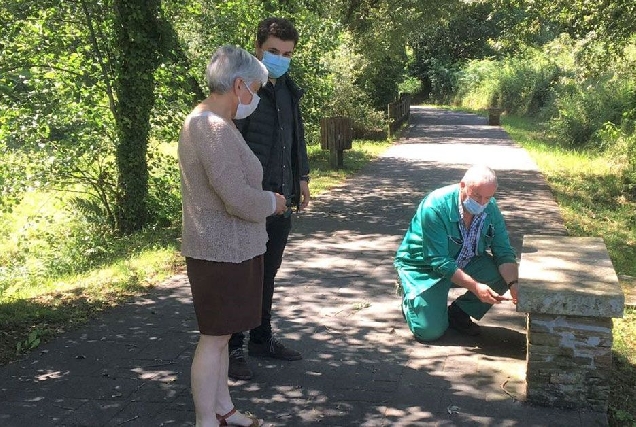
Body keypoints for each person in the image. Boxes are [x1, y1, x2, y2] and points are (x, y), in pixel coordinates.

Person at [178, 45, 288, 427]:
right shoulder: (211, 127)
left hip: (231, 249)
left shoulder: (213, 124)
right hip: (219, 251)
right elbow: (236, 197)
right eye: (255, 89)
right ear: (239, 84)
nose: (255, 98)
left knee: (222, 336)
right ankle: (205, 421)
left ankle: (223, 411)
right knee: (213, 338)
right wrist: (272, 202)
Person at [229, 17, 310, 380]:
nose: (280, 58)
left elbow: (296, 139)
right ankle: (233, 350)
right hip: (249, 201)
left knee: (268, 272)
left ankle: (262, 339)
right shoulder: (242, 89)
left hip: (281, 197)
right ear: (258, 47)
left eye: (287, 53)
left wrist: (302, 178)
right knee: (244, 274)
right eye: (274, 51)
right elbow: (229, 144)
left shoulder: (288, 89)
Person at [394, 165, 519, 342]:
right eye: (476, 195)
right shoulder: (434, 206)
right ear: (462, 185)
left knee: (504, 275)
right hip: (425, 267)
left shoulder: (490, 207)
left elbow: (504, 250)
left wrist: (514, 284)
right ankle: (410, 294)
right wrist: (475, 287)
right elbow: (438, 261)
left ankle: (459, 313)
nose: (482, 203)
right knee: (429, 332)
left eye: (488, 198)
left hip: (464, 259)